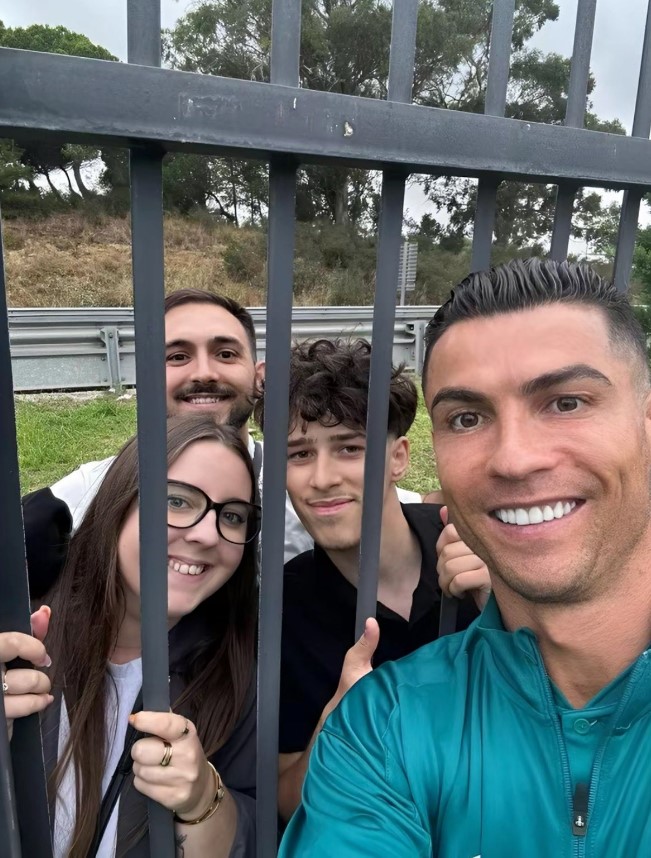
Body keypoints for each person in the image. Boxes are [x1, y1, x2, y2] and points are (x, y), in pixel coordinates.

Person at [278, 257, 651, 857]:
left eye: (566, 402)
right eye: (467, 418)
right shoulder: (377, 718)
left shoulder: (457, 538)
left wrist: (498, 586)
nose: (515, 459)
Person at [8, 415, 260, 857]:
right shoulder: (23, 635)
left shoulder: (241, 674)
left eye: (233, 516)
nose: (205, 534)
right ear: (120, 503)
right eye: (178, 501)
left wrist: (203, 800)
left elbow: (258, 838)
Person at [252, 339, 482, 821]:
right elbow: (282, 800)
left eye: (350, 448)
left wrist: (505, 609)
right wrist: (336, 732)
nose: (322, 478)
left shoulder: (478, 547)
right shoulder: (279, 611)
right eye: (297, 454)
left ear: (398, 457)